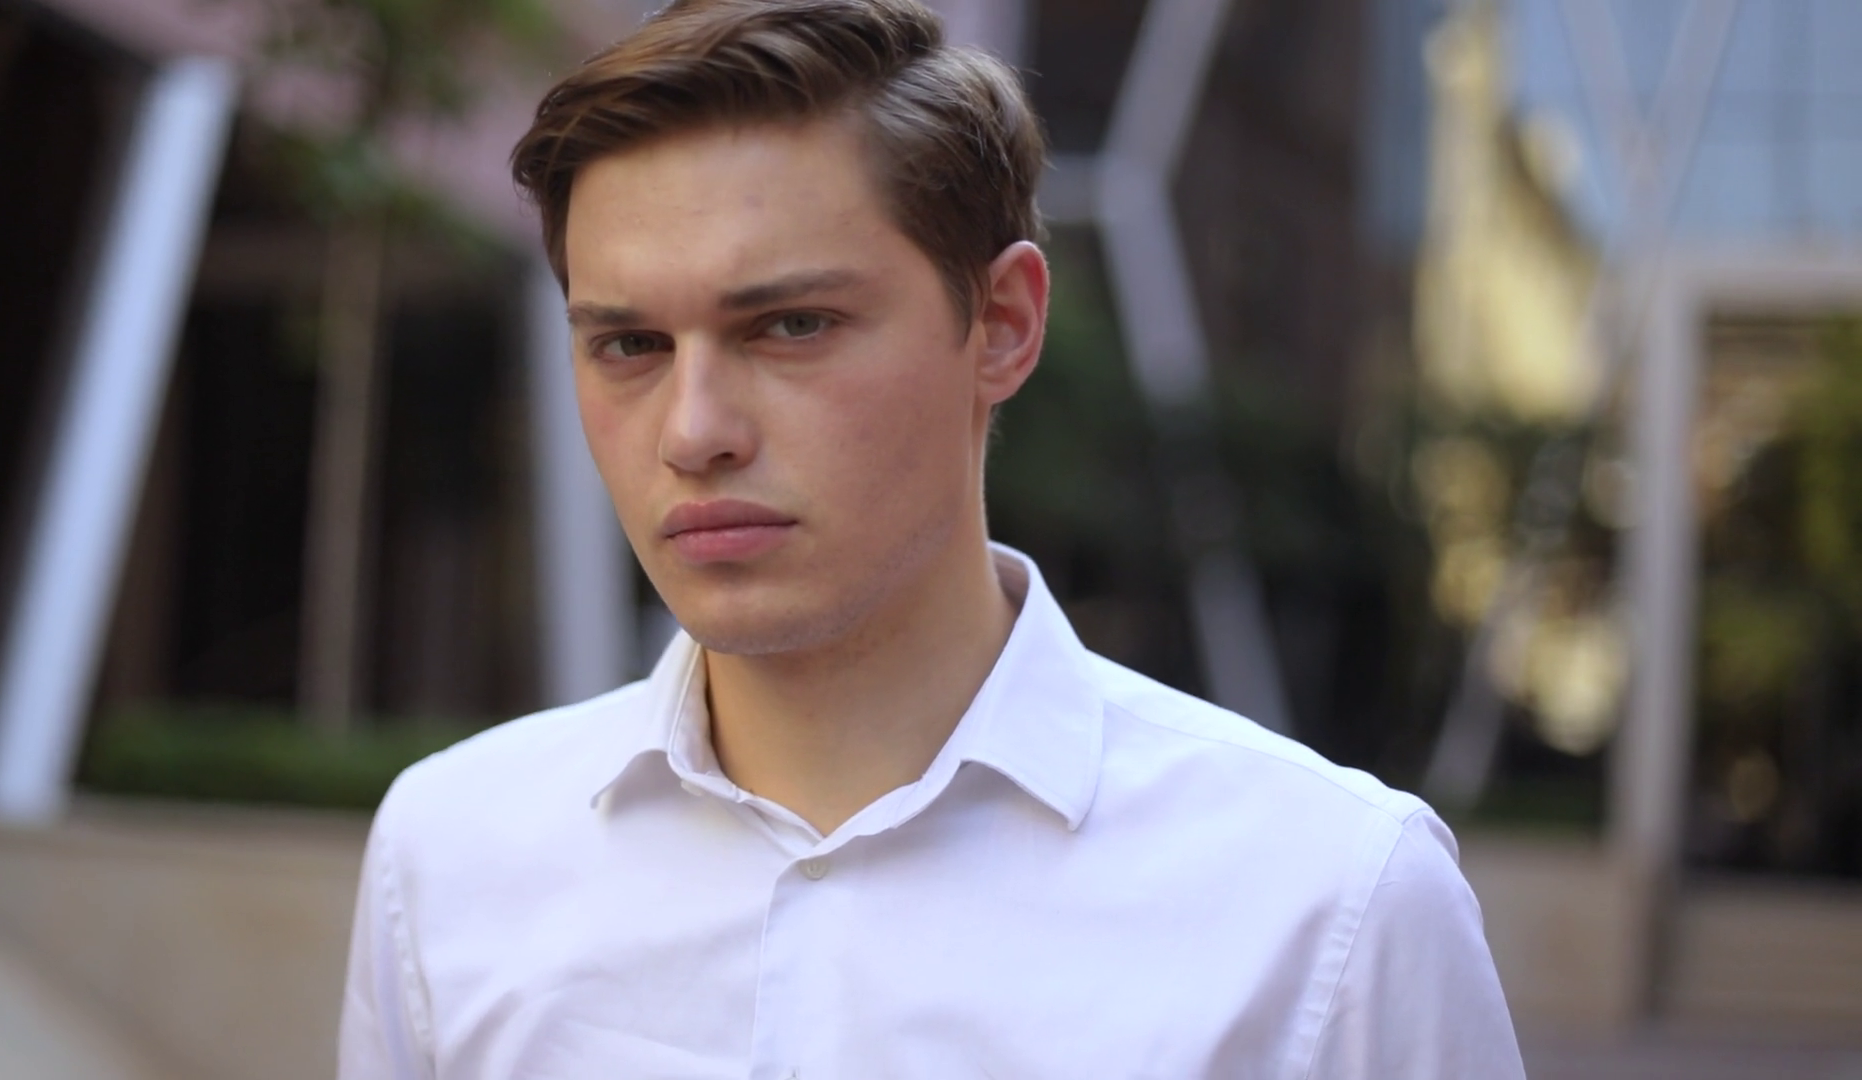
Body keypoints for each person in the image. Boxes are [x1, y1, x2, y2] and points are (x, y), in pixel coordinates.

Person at [338, 0, 1527, 1076]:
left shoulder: (1332, 911)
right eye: (630, 345)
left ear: (1002, 324)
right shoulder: (449, 859)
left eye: (791, 325)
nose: (693, 433)